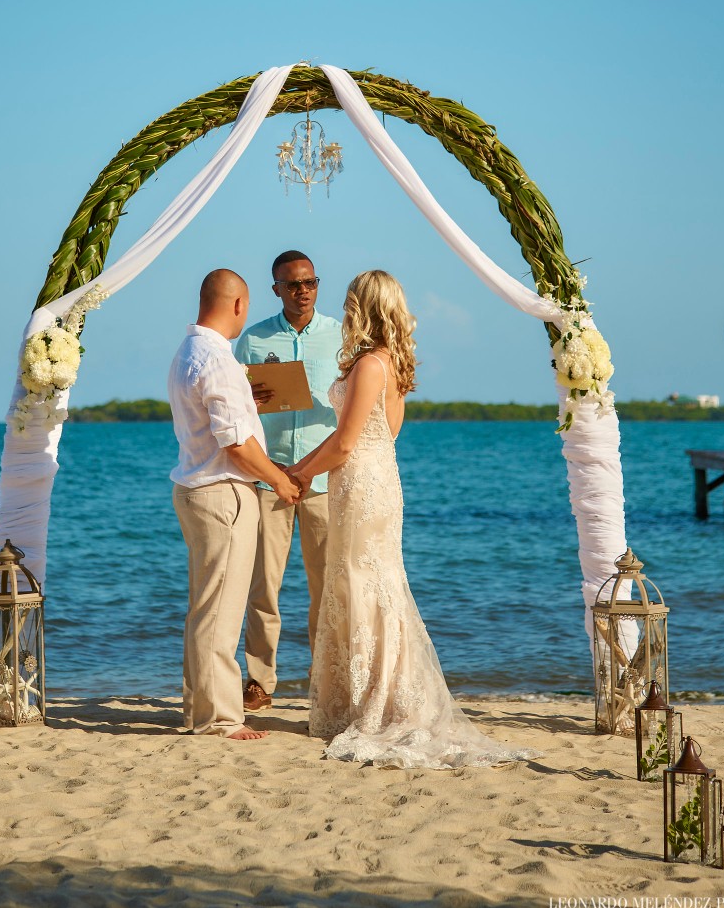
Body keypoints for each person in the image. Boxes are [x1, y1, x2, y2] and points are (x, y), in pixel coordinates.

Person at [290, 270, 536, 769]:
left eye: (350, 301)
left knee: (361, 585)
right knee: (376, 584)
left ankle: (374, 704)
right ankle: (376, 696)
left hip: (360, 483)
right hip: (379, 479)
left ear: (363, 308)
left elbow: (344, 442)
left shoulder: (367, 367)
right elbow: (381, 435)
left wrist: (295, 473)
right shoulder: (393, 363)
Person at [167, 268, 301, 741]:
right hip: (223, 491)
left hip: (196, 488)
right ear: (240, 304)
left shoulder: (189, 351)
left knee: (206, 606)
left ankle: (199, 708)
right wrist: (279, 480)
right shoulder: (217, 358)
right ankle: (220, 717)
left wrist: (248, 397)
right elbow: (236, 444)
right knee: (221, 610)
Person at [235, 250, 342, 713]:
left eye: (310, 282)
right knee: (263, 586)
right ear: (276, 288)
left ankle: (325, 681)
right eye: (293, 283)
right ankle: (260, 682)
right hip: (270, 476)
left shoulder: (343, 336)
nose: (303, 290)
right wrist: (251, 397)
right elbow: (234, 404)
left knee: (328, 586)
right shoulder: (253, 339)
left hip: (322, 477)